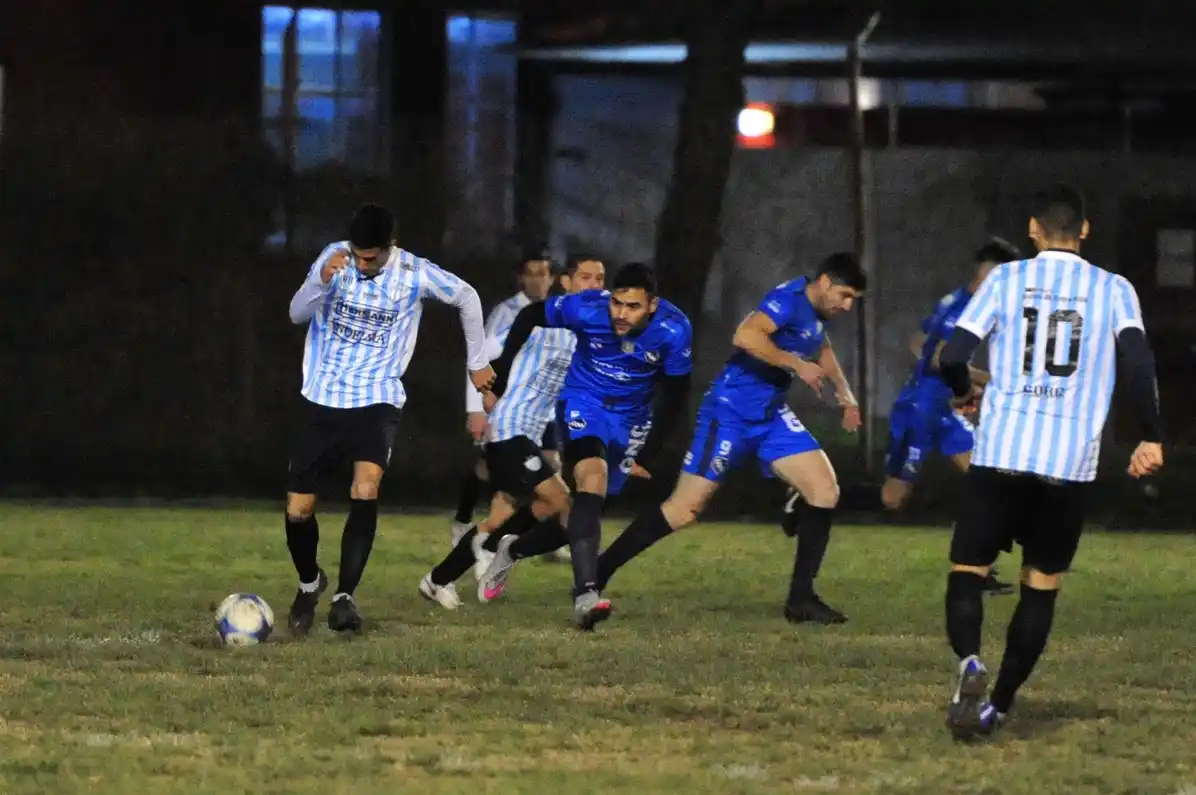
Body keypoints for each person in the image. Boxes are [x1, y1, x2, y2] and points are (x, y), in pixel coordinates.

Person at [939, 184, 1164, 739]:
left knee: (967, 574)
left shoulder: (1006, 279)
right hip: (1068, 463)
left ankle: (970, 664)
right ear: (1084, 231)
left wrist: (963, 390)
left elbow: (954, 354)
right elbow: (1137, 363)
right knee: (1041, 587)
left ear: (1033, 229)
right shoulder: (1114, 288)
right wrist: (1151, 435)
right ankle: (999, 705)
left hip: (1001, 451)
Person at [591, 253, 866, 625]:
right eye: (845, 296)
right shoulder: (788, 299)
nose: (847, 306)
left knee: (825, 491)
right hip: (730, 413)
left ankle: (801, 599)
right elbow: (745, 335)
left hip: (770, 415)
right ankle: (598, 570)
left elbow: (823, 349)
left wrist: (845, 395)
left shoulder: (817, 315)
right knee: (683, 510)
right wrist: (795, 364)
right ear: (826, 283)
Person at [283, 203, 495, 634]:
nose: (361, 264)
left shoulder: (414, 273)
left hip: (377, 399)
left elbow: (467, 297)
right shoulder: (333, 259)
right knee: (299, 510)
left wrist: (477, 363)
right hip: (321, 399)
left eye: (370, 257)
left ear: (389, 248)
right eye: (357, 255)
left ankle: (345, 597)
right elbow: (296, 313)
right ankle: (310, 584)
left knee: (366, 487)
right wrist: (322, 282)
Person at [478, 262, 693, 630]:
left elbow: (675, 396)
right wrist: (501, 369)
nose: (622, 315)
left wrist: (649, 451)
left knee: (577, 519)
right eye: (618, 304)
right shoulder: (588, 306)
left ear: (653, 305)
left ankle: (512, 549)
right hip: (583, 403)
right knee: (592, 479)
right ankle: (586, 595)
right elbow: (532, 314)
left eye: (633, 307)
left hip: (630, 421)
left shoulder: (675, 330)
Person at [417, 257, 607, 608]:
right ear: (565, 282)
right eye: (585, 277)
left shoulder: (591, 329)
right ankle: (512, 551)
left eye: (600, 278)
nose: (595, 284)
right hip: (508, 429)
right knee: (562, 503)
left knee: (506, 517)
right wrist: (483, 397)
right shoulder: (544, 319)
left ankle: (438, 579)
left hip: (531, 433)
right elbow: (486, 352)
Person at [882, 238, 1025, 596]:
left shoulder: (956, 298)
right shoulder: (965, 309)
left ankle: (981, 571)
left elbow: (919, 341)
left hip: (942, 408)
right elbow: (938, 358)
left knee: (986, 479)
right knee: (892, 498)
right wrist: (991, 381)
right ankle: (817, 495)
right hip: (919, 410)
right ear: (991, 274)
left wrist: (952, 382)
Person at [451, 249, 555, 547]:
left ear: (553, 278)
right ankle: (468, 525)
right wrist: (476, 408)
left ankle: (538, 533)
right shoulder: (508, 313)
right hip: (505, 405)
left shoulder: (558, 312)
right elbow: (481, 357)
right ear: (522, 278)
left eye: (543, 273)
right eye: (531, 273)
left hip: (541, 409)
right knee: (490, 470)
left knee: (550, 465)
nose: (538, 280)